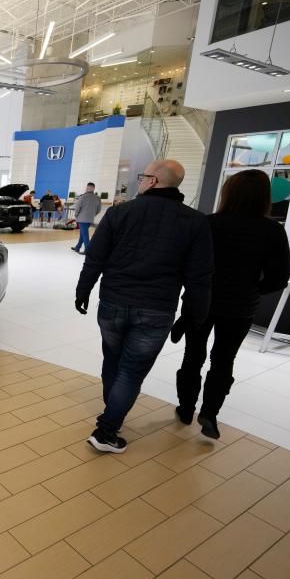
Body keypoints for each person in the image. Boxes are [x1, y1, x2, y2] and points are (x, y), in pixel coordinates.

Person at [75, 159, 214, 453]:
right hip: (156, 310)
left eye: (143, 176)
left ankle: (111, 420)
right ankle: (107, 430)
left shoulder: (120, 213)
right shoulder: (196, 222)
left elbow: (95, 258)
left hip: (113, 303)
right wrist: (194, 315)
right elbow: (199, 277)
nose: (140, 181)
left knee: (112, 362)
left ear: (152, 181)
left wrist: (83, 290)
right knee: (131, 371)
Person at [173, 170, 290, 439]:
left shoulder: (208, 223)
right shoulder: (272, 231)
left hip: (202, 301)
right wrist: (252, 289)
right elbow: (278, 278)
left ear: (228, 192)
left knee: (193, 355)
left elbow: (187, 265)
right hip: (240, 306)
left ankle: (186, 408)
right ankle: (210, 413)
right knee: (224, 360)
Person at [72, 183, 102, 254]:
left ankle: (87, 250)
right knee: (83, 234)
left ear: (87, 188)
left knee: (85, 235)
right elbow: (99, 210)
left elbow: (77, 208)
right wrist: (93, 215)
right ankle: (77, 247)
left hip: (82, 219)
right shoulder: (97, 198)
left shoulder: (83, 197)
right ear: (93, 188)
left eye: (87, 188)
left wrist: (76, 216)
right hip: (90, 219)